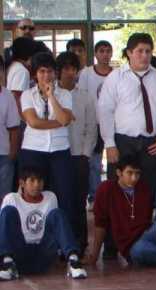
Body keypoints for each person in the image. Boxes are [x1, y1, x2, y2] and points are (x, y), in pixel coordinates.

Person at [97, 33, 156, 197]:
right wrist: (109, 144)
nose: (144, 55)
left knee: (147, 191)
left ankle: (144, 223)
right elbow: (105, 111)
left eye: (148, 51)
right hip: (123, 142)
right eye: (140, 51)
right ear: (129, 53)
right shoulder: (115, 77)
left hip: (153, 143)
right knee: (118, 191)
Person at [0, 166, 87, 281]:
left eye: (40, 181)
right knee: (8, 211)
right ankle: (8, 264)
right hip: (19, 252)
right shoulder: (11, 198)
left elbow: (56, 229)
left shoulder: (50, 197)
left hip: (44, 252)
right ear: (22, 183)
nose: (36, 185)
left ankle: (73, 261)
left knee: (57, 214)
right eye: (32, 180)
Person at [19, 52, 75, 218]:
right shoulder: (27, 95)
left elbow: (64, 119)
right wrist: (60, 122)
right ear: (35, 74)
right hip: (33, 150)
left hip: (60, 150)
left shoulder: (64, 94)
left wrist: (51, 96)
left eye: (50, 71)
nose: (46, 75)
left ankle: (63, 237)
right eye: (42, 71)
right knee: (33, 194)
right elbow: (33, 122)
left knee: (64, 194)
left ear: (55, 73)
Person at [82, 154, 154, 265]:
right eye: (129, 173)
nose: (134, 178)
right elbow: (100, 224)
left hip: (149, 237)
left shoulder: (144, 188)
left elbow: (148, 222)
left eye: (137, 174)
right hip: (132, 246)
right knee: (139, 250)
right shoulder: (106, 189)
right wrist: (94, 256)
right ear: (119, 173)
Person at [57, 52, 96, 248]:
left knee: (79, 201)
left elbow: (91, 128)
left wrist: (85, 154)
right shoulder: (52, 95)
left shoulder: (85, 97)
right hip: (57, 154)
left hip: (79, 155)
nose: (69, 73)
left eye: (73, 68)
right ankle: (60, 244)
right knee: (60, 200)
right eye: (65, 68)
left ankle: (80, 243)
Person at [80, 40, 113, 204]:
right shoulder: (86, 73)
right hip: (93, 123)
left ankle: (114, 195)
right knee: (94, 162)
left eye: (108, 51)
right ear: (95, 54)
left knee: (115, 160)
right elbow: (82, 97)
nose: (105, 54)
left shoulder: (116, 74)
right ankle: (95, 196)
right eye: (102, 51)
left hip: (113, 124)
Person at [0, 79, 20, 197]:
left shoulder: (7, 96)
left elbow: (14, 128)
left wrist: (12, 154)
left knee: (4, 198)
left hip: (3, 156)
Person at [7, 37, 36, 106]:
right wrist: (24, 116)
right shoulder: (22, 71)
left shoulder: (14, 65)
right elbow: (17, 97)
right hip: (18, 114)